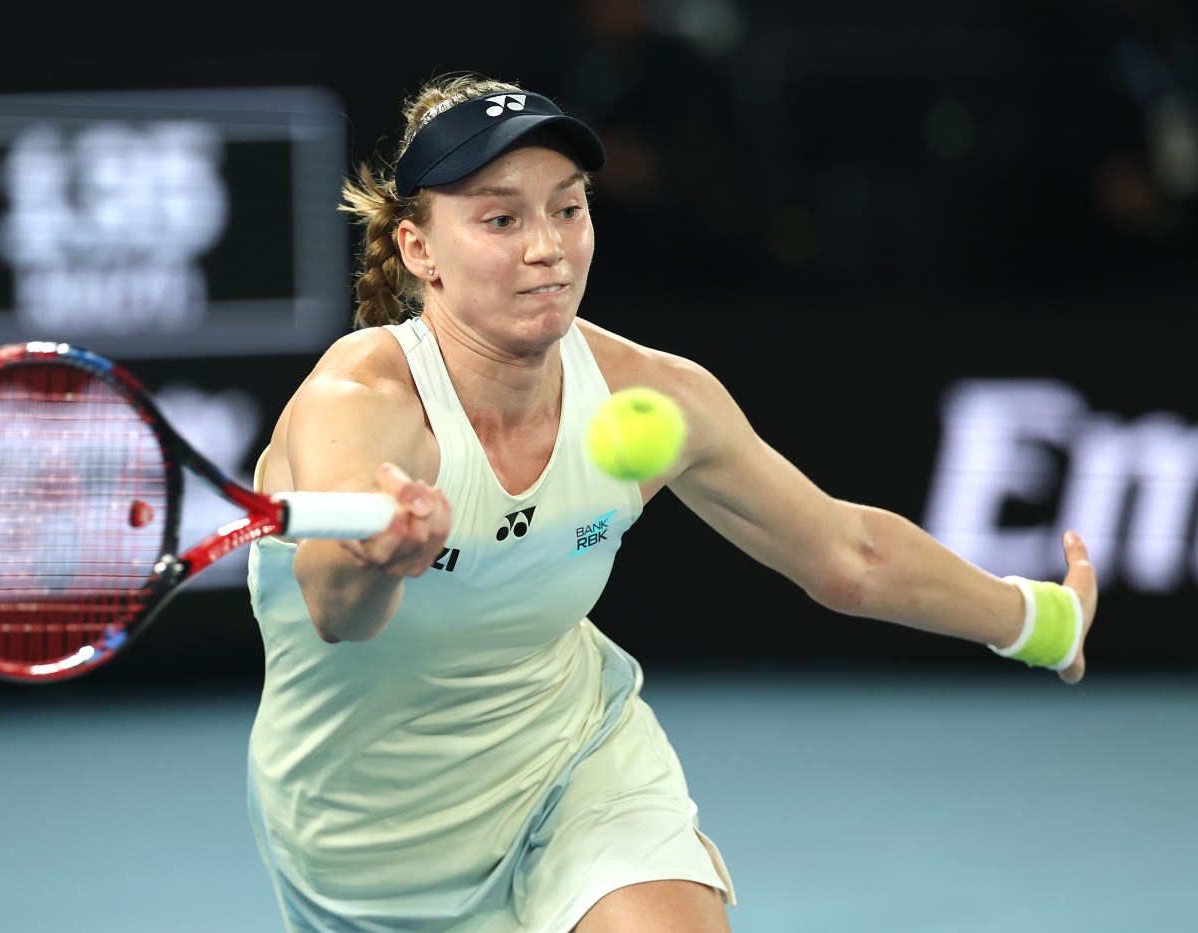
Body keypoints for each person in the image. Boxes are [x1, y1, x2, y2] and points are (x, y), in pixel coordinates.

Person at [244, 73, 1098, 933]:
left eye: (568, 209)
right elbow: (334, 607)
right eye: (500, 219)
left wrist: (1043, 620)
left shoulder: (650, 392)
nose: (547, 248)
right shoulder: (360, 401)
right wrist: (381, 560)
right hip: (364, 841)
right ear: (419, 248)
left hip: (573, 773)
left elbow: (849, 557)